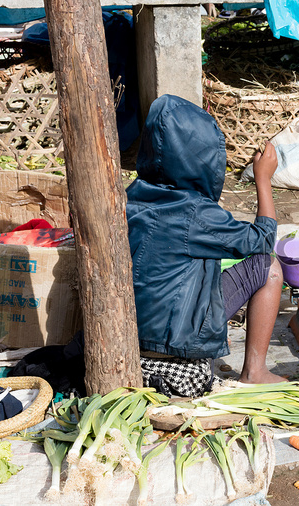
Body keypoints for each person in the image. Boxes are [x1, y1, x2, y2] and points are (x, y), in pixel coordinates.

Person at [125, 94, 285, 398]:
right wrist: (263, 179)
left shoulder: (132, 196)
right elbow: (262, 241)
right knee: (269, 266)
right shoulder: (196, 213)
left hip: (130, 336)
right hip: (177, 345)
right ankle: (255, 372)